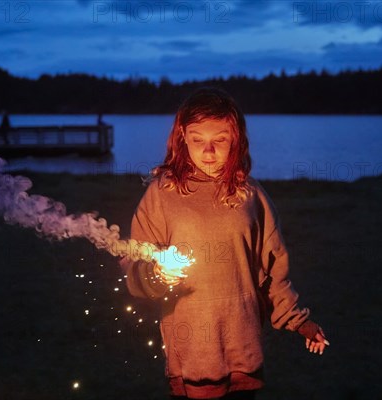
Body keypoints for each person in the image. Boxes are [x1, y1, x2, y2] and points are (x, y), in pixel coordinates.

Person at [120, 87, 329, 400]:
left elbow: (272, 269)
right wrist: (153, 277)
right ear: (181, 137)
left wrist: (299, 321)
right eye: (197, 140)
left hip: (242, 348)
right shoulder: (162, 194)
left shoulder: (250, 195)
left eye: (220, 139)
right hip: (190, 351)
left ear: (237, 139)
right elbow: (134, 262)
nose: (208, 151)